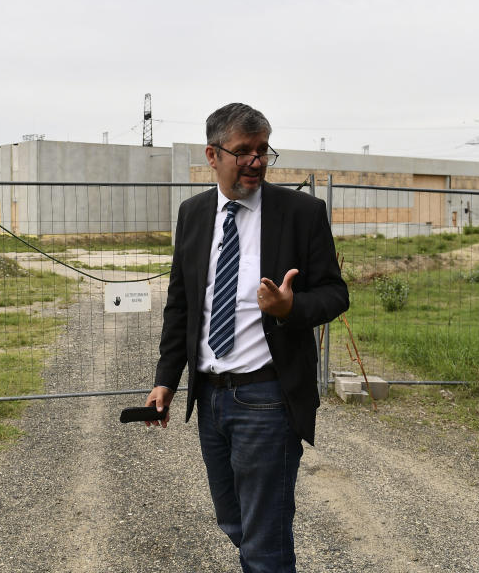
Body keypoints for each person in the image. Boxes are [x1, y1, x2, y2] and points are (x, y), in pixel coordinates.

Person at [144, 102, 349, 572]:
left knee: (264, 540)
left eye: (263, 150)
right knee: (233, 521)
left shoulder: (302, 212)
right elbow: (181, 305)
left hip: (266, 397)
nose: (256, 161)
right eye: (243, 151)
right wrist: (166, 379)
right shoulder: (193, 214)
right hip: (211, 399)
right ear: (212, 155)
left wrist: (290, 308)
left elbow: (336, 294)